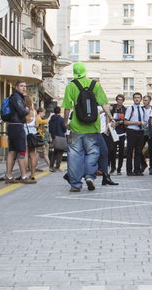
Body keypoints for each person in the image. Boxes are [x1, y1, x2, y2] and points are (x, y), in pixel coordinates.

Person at [62, 61, 109, 193]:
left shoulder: (70, 86)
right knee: (93, 152)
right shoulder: (95, 85)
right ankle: (89, 176)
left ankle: (75, 185)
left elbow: (66, 107)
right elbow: (104, 104)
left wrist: (66, 122)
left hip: (76, 127)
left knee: (74, 156)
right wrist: (110, 117)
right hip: (93, 126)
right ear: (85, 72)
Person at [4, 80, 29, 183]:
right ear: (16, 87)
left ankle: (9, 176)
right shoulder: (16, 97)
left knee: (12, 151)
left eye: (25, 86)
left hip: (12, 126)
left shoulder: (14, 97)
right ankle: (23, 176)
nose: (24, 88)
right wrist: (27, 109)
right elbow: (22, 112)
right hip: (17, 126)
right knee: (21, 151)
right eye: (21, 86)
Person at [124, 91, 148, 175]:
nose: (137, 99)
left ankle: (137, 170)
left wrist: (144, 123)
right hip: (132, 131)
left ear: (141, 99)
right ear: (133, 99)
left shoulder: (142, 109)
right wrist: (136, 123)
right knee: (130, 151)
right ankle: (129, 170)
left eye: (138, 98)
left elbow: (145, 120)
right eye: (135, 98)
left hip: (140, 131)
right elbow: (125, 122)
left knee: (138, 151)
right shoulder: (130, 109)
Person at [24, 94, 39, 183]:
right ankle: (33, 174)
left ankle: (24, 174)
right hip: (33, 133)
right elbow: (37, 124)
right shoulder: (34, 112)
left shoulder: (23, 111)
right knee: (33, 154)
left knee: (25, 154)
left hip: (24, 132)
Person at [47, 105, 66, 172]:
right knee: (60, 152)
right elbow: (64, 129)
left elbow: (49, 129)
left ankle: (51, 166)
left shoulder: (51, 120)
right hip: (60, 137)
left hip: (54, 137)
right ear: (60, 111)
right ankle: (57, 167)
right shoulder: (61, 119)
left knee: (55, 152)